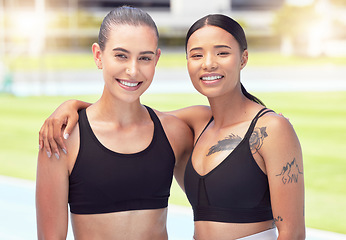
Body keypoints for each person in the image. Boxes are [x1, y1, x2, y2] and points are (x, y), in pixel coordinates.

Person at [39, 13, 305, 240]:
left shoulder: (265, 128)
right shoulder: (194, 123)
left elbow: (292, 232)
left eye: (222, 53)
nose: (209, 62)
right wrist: (72, 105)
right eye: (197, 54)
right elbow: (121, 115)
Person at [35, 6, 193, 240]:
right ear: (99, 56)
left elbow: (214, 209)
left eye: (145, 58)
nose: (133, 69)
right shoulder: (63, 139)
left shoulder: (174, 133)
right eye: (121, 55)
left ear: (156, 59)